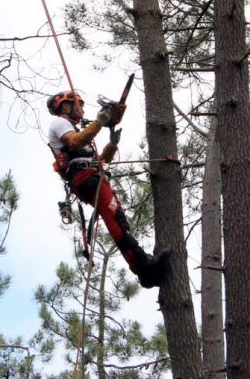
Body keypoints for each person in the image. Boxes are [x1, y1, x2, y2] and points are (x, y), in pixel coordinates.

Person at [46, 90, 169, 288]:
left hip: (91, 176)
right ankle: (143, 267)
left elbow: (101, 160)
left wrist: (111, 145)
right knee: (117, 222)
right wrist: (99, 123)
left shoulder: (77, 130)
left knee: (117, 219)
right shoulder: (61, 124)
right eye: (78, 105)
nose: (82, 109)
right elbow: (76, 142)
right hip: (86, 178)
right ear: (66, 106)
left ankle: (142, 268)